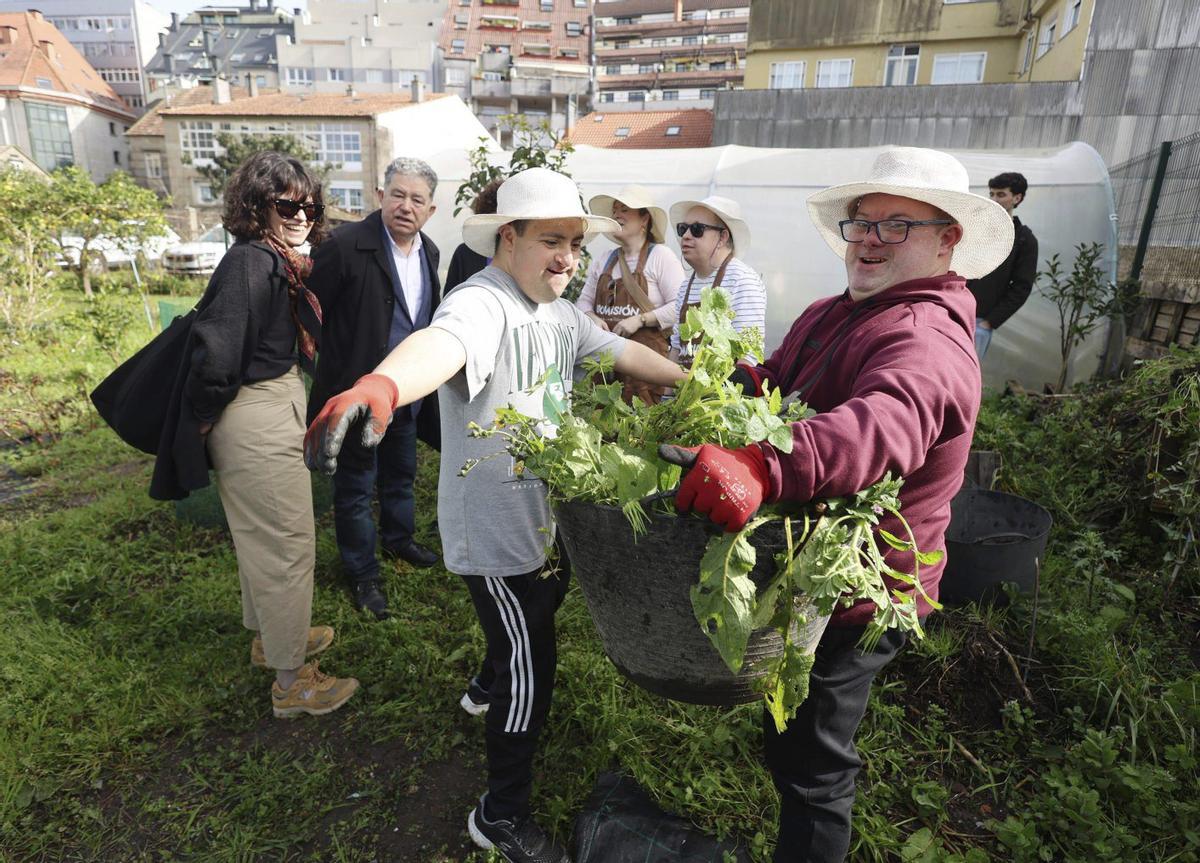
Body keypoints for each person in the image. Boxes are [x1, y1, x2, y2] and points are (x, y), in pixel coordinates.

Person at [304, 167, 687, 863]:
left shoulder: (557, 312)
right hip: (499, 537)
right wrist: (383, 384)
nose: (567, 257)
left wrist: (695, 380)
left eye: (575, 242)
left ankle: (485, 685)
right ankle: (500, 813)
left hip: (544, 522)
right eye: (550, 240)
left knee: (543, 604)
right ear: (507, 238)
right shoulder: (484, 302)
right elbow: (442, 344)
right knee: (532, 669)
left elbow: (622, 350)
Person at [664, 147, 1014, 863]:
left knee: (817, 764)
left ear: (948, 240)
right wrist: (718, 383)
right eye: (861, 222)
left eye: (896, 226)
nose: (868, 239)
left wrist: (761, 464)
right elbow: (781, 385)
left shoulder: (925, 337)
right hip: (812, 578)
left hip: (861, 589)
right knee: (791, 728)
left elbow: (878, 425)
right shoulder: (837, 312)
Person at [186, 151, 359, 718]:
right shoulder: (253, 264)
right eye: (287, 204)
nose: (302, 214)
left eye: (309, 205)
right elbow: (216, 350)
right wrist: (208, 414)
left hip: (268, 405)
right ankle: (293, 684)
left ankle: (272, 639)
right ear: (257, 205)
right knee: (287, 546)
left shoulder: (275, 262)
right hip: (256, 413)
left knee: (263, 540)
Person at [307, 157, 443, 621]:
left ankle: (399, 539)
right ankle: (363, 573)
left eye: (417, 199)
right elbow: (310, 314)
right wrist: (338, 364)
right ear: (381, 196)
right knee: (355, 489)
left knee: (401, 476)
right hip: (356, 395)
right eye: (398, 195)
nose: (406, 206)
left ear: (431, 209)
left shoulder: (430, 253)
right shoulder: (345, 246)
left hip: (406, 394)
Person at [576, 185, 685, 404]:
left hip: (646, 377)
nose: (616, 214)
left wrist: (640, 320)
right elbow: (582, 303)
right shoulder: (604, 259)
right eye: (615, 210)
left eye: (624, 209)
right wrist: (593, 318)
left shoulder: (661, 256)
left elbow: (680, 307)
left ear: (644, 219)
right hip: (605, 375)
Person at [668, 195, 767, 366]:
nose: (686, 235)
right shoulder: (686, 286)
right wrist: (667, 394)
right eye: (683, 228)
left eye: (697, 229)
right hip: (683, 390)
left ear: (722, 237)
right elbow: (677, 348)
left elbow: (748, 355)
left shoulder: (742, 280)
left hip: (721, 392)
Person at [966, 171, 1038, 360]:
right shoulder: (975, 229)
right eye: (991, 194)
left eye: (1001, 194)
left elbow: (1022, 287)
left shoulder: (1024, 239)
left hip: (979, 322)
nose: (994, 199)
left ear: (1017, 198)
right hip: (953, 313)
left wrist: (990, 322)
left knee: (962, 383)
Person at [445, 177, 502, 293]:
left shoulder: (524, 255)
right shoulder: (465, 253)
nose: (500, 229)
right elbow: (450, 295)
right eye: (492, 220)